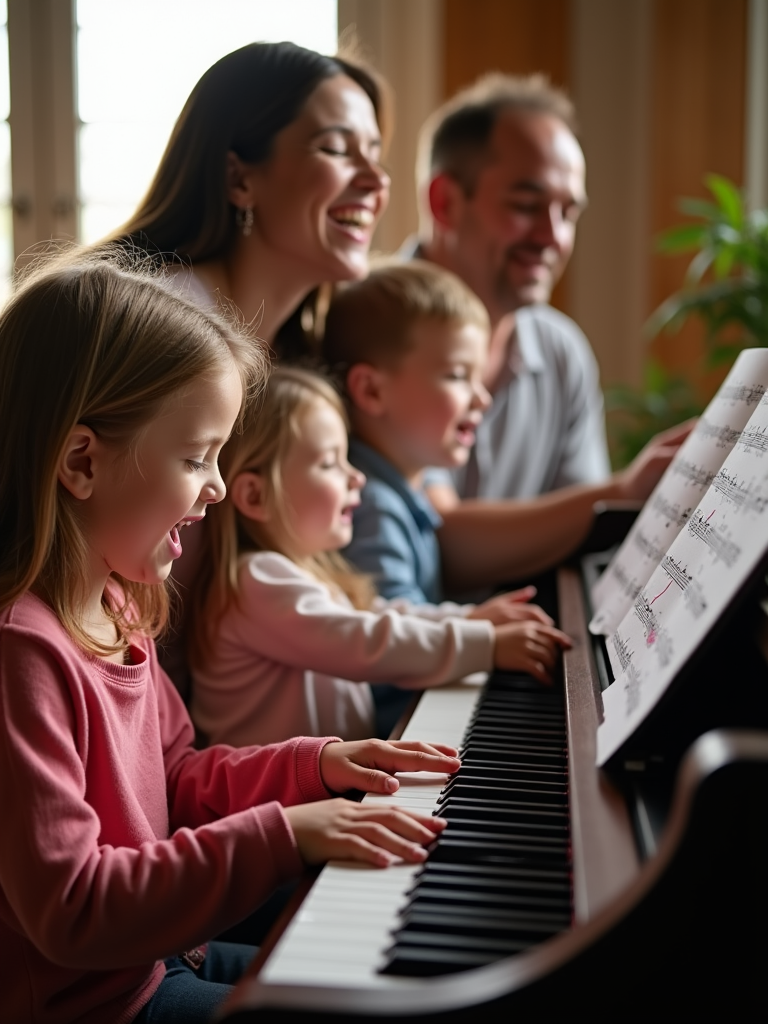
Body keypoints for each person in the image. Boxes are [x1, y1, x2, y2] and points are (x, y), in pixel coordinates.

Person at [0, 252, 465, 1024]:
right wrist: (285, 835)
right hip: (91, 1005)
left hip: (151, 963)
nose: (216, 486)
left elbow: (176, 775)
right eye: (195, 458)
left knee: (387, 983)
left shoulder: (116, 606)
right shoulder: (25, 651)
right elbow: (73, 908)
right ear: (82, 461)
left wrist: (315, 765)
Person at [188, 366, 570, 745]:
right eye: (328, 463)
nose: (357, 477)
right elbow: (366, 641)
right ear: (256, 496)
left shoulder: (296, 574)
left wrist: (468, 617)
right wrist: (484, 644)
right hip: (277, 800)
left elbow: (380, 615)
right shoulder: (255, 582)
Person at [322, 260, 689, 601]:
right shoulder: (371, 510)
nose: (481, 399)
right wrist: (485, 633)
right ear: (371, 391)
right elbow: (395, 646)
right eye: (457, 375)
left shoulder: (403, 494)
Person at [110, 40, 390, 351]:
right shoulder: (159, 334)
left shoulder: (307, 348)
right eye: (335, 149)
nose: (378, 179)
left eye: (375, 155)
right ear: (238, 179)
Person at [409, 72, 609, 504]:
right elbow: (440, 540)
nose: (553, 237)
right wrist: (627, 491)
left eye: (568, 213)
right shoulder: (364, 325)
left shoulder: (563, 353)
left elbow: (582, 534)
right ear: (444, 202)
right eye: (526, 206)